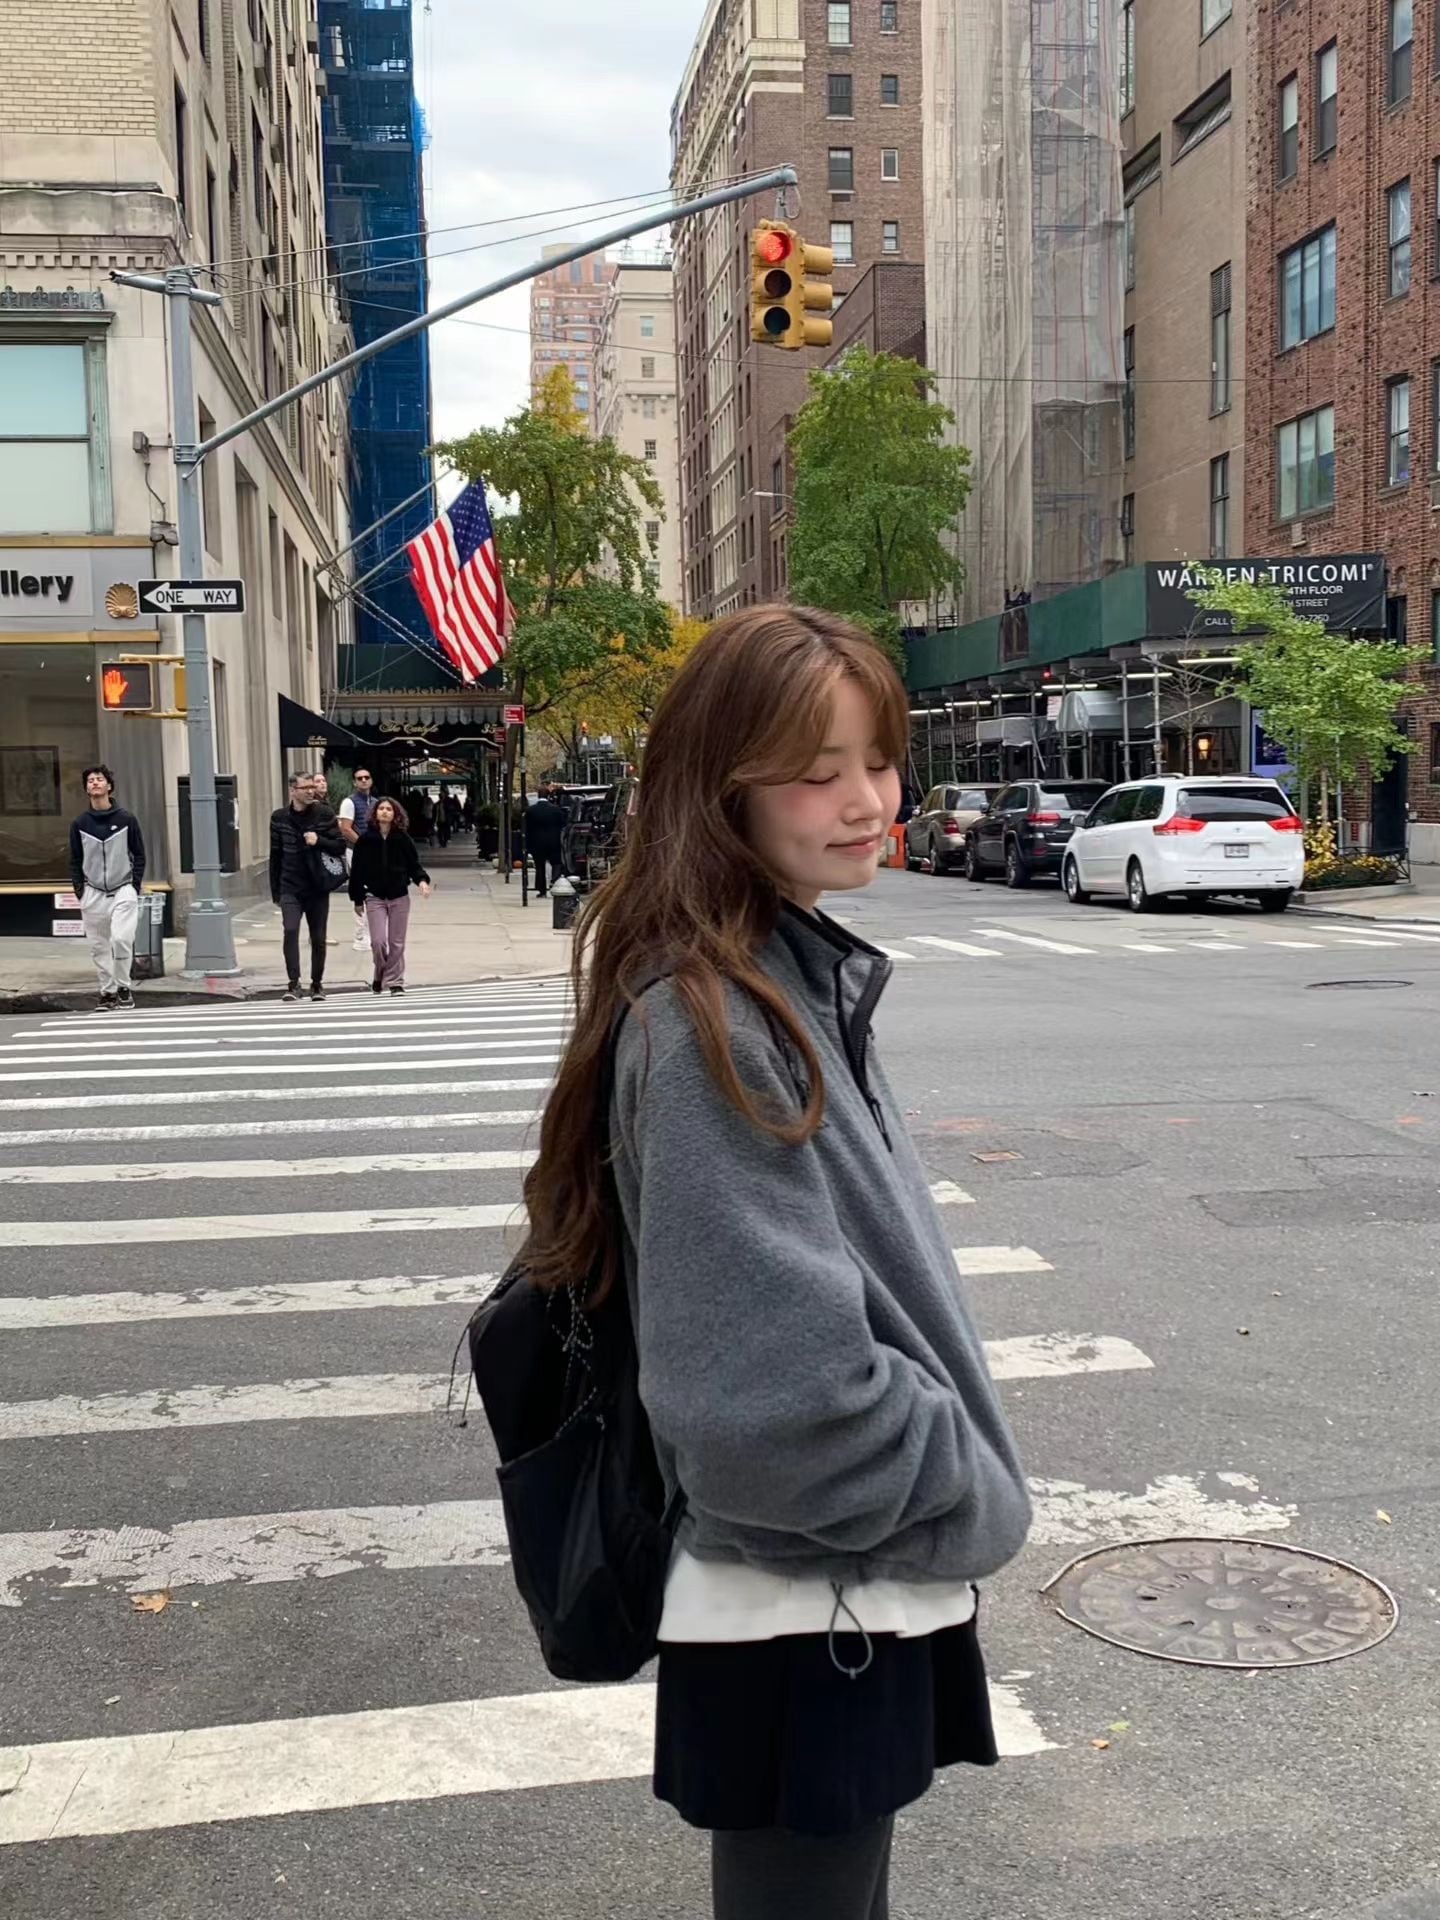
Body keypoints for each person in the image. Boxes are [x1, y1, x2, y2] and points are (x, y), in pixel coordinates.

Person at [521, 607, 1031, 1920]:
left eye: (880, 759)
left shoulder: (780, 978)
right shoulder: (717, 1020)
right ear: (723, 789)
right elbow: (765, 1410)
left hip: (833, 1599)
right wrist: (967, 1487)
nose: (867, 802)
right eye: (816, 771)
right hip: (807, 1610)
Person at [68, 765, 146, 1012]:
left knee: (121, 939)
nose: (94, 783)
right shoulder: (80, 823)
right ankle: (108, 992)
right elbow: (75, 859)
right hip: (92, 891)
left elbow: (139, 854)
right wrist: (80, 890)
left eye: (99, 779)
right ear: (86, 788)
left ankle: (123, 986)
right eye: (90, 780)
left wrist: (134, 886)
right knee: (99, 946)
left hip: (122, 888)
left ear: (109, 786)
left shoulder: (126, 819)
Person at [269, 772, 344, 1002]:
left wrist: (318, 840)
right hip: (290, 886)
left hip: (317, 886)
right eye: (305, 788)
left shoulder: (324, 814)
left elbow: (340, 846)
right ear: (293, 790)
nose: (311, 791)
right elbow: (275, 855)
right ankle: (293, 984)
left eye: (312, 786)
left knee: (318, 937)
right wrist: (276, 891)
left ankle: (317, 984)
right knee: (290, 930)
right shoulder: (279, 818)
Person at [348, 796, 431, 994]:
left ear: (395, 814)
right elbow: (357, 871)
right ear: (375, 813)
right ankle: (380, 973)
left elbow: (414, 865)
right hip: (374, 896)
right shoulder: (365, 840)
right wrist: (357, 898)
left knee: (397, 943)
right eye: (381, 809)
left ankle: (395, 981)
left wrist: (422, 881)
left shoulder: (403, 839)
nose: (384, 812)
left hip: (399, 895)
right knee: (378, 942)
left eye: (389, 809)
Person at [336, 767, 383, 953]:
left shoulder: (376, 802)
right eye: (359, 778)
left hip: (374, 852)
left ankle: (373, 933)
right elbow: (345, 829)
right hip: (356, 851)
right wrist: (364, 845)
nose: (363, 780)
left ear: (371, 780)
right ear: (354, 782)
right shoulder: (349, 802)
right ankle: (361, 936)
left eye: (366, 777)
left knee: (374, 890)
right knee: (360, 891)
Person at [525, 783, 569, 898]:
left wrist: (527, 845)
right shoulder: (556, 810)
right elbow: (563, 824)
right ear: (548, 796)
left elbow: (527, 829)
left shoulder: (531, 811)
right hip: (553, 842)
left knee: (539, 867)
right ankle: (555, 883)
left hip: (537, 843)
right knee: (556, 863)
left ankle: (542, 890)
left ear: (538, 795)